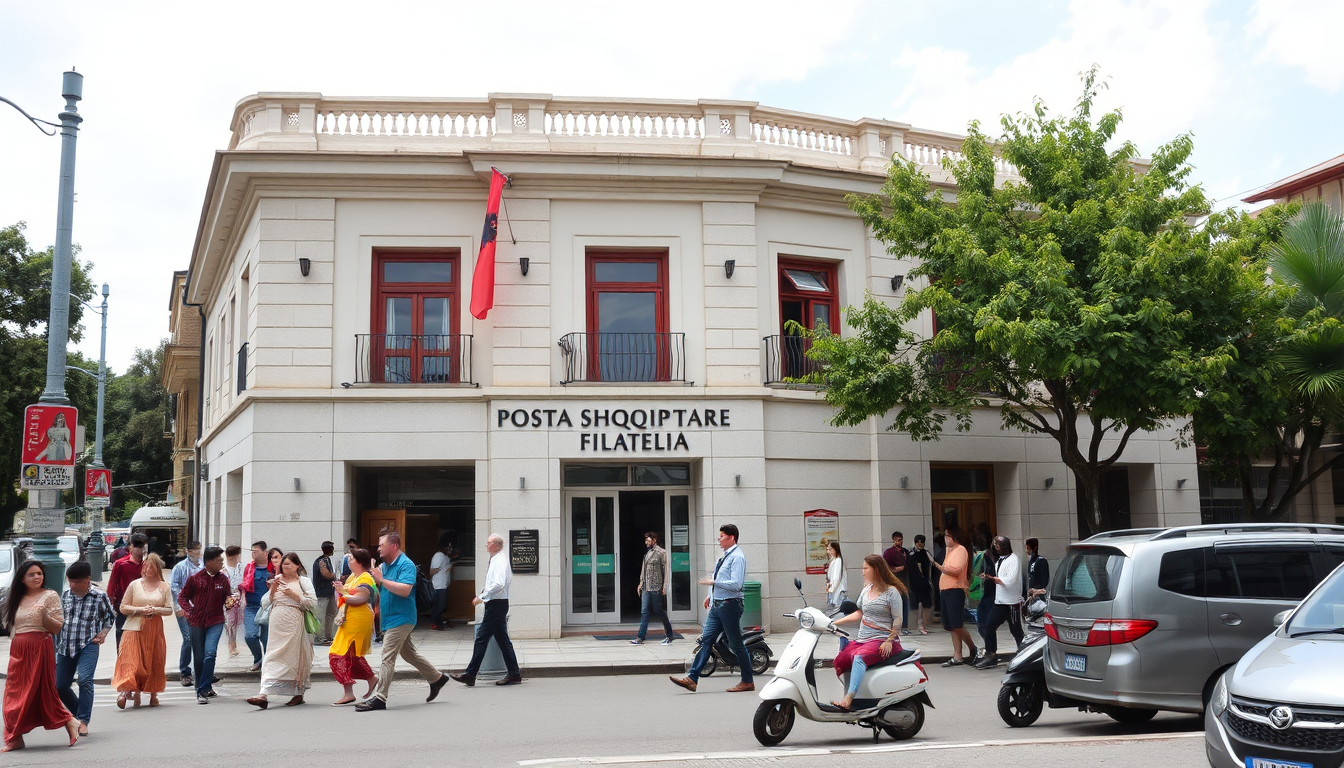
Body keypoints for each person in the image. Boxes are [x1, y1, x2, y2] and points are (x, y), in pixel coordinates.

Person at [356, 533, 448, 711]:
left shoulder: (406, 565)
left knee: (387, 656)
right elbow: (381, 588)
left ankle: (380, 698)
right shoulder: (385, 566)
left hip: (402, 617)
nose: (378, 548)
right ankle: (437, 678)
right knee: (409, 654)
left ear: (394, 545)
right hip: (390, 618)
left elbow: (405, 590)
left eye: (382, 545)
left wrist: (382, 579)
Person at [1, 560, 81, 751]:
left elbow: (57, 628)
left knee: (43, 693)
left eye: (39, 573)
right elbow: (10, 628)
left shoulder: (50, 596)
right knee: (13, 694)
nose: (37, 577)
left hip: (40, 646)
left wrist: (44, 615)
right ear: (22, 578)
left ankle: (68, 720)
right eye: (32, 574)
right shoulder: (15, 598)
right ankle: (15, 737)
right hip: (18, 648)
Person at [670, 524, 754, 693]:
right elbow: (718, 577)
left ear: (732, 538)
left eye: (722, 536)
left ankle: (747, 680)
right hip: (718, 604)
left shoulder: (738, 557)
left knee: (736, 643)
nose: (719, 539)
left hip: (730, 604)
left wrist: (713, 583)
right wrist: (711, 594)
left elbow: (736, 584)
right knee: (706, 640)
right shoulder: (724, 557)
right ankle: (692, 678)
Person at [829, 554, 908, 710]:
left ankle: (848, 699)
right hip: (863, 640)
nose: (863, 571)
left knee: (859, 658)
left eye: (866, 568)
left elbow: (898, 620)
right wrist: (832, 623)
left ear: (876, 569)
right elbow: (859, 613)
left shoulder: (892, 592)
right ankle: (859, 697)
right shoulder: (867, 590)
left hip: (882, 640)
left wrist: (889, 640)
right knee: (842, 658)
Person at [450, 533, 523, 687]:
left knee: (482, 638)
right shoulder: (497, 559)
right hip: (498, 603)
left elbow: (498, 584)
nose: (487, 545)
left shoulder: (500, 561)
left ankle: (470, 674)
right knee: (503, 640)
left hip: (496, 604)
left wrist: (482, 597)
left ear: (496, 544)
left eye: (489, 542)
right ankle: (514, 673)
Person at [247, 553, 317, 709]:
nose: (285, 568)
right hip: (276, 622)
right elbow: (266, 602)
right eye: (283, 565)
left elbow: (312, 603)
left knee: (294, 658)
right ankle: (263, 693)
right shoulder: (277, 579)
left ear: (297, 565)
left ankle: (298, 693)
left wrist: (294, 595)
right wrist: (273, 589)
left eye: (288, 565)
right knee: (271, 656)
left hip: (294, 623)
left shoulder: (303, 581)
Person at [55, 561, 116, 737]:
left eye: (77, 582)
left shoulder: (99, 596)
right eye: (70, 581)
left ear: (88, 579)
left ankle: (83, 721)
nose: (72, 585)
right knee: (60, 686)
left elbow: (110, 617)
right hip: (65, 645)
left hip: (88, 644)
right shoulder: (65, 594)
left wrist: (103, 633)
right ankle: (76, 714)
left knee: (85, 680)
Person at [111, 553, 173, 709]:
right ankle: (128, 691)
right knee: (132, 661)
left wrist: (155, 609)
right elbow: (123, 607)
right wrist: (139, 610)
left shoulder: (164, 586)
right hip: (133, 627)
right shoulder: (134, 585)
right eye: (145, 565)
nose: (146, 568)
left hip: (154, 628)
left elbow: (169, 609)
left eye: (150, 565)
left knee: (153, 659)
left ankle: (153, 694)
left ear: (157, 568)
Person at [178, 546, 238, 704]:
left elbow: (227, 596)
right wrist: (189, 610)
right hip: (196, 622)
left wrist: (229, 602)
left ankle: (202, 689)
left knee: (210, 653)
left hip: (216, 621)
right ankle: (203, 686)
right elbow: (182, 597)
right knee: (198, 657)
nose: (222, 563)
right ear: (210, 562)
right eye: (219, 561)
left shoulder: (222, 579)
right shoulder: (196, 578)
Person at [329, 548, 379, 706]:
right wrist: (342, 589)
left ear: (360, 562)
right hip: (349, 619)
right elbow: (349, 593)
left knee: (336, 655)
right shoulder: (353, 576)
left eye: (351, 559)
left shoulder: (366, 578)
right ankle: (369, 680)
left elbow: (360, 598)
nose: (348, 562)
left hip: (357, 620)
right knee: (351, 655)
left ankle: (350, 690)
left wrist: (342, 593)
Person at [976, 536, 1025, 669]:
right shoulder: (1000, 561)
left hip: (1012, 603)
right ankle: (991, 654)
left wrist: (991, 578)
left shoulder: (1013, 560)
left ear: (1005, 546)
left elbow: (1010, 581)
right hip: (1000, 601)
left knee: (1016, 630)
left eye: (998, 545)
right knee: (989, 626)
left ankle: (1024, 653)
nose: (995, 548)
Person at [932, 525, 977, 666]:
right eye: (945, 536)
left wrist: (939, 567)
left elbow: (955, 570)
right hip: (945, 590)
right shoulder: (949, 551)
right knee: (950, 625)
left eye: (948, 536)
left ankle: (972, 647)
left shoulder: (961, 549)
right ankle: (957, 655)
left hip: (955, 590)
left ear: (955, 537)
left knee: (956, 624)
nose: (945, 539)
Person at [169, 541, 204, 688]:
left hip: (201, 609)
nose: (196, 552)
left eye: (198, 550)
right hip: (184, 608)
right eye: (193, 550)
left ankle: (201, 672)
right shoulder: (180, 567)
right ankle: (185, 672)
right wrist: (179, 606)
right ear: (188, 551)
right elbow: (174, 587)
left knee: (200, 640)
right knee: (188, 639)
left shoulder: (204, 566)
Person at [631, 531, 674, 645]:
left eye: (648, 540)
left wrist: (665, 586)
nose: (646, 542)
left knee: (658, 610)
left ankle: (669, 634)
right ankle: (640, 637)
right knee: (644, 612)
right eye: (646, 540)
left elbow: (666, 571)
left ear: (654, 540)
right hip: (646, 586)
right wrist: (641, 583)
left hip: (656, 586)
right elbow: (643, 570)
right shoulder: (647, 553)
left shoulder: (661, 553)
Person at [106, 532, 148, 648]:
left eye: (143, 546)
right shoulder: (121, 564)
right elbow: (112, 585)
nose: (140, 550)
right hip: (123, 605)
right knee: (122, 634)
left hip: (143, 606)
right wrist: (110, 604)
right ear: (130, 547)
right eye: (137, 547)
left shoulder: (147, 565)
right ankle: (122, 660)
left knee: (141, 637)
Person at [239, 540, 273, 672]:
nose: (253, 553)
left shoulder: (272, 570)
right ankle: (257, 658)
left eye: (256, 551)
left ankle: (267, 663)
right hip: (251, 607)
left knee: (266, 638)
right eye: (252, 551)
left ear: (265, 553)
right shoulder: (249, 568)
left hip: (267, 608)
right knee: (250, 636)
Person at [882, 532, 911, 635]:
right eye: (898, 540)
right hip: (894, 580)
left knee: (905, 602)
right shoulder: (889, 552)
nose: (900, 542)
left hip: (904, 580)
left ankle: (904, 626)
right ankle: (893, 626)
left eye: (901, 540)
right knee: (895, 604)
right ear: (894, 540)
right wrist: (896, 569)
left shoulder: (905, 552)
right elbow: (886, 567)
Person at [906, 535, 934, 635]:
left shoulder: (926, 553)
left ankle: (924, 625)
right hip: (914, 582)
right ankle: (917, 625)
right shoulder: (911, 554)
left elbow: (933, 563)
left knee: (926, 604)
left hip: (925, 582)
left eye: (922, 542)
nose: (920, 544)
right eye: (918, 542)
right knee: (916, 605)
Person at [312, 542, 338, 644]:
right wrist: (335, 575)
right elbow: (326, 574)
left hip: (329, 592)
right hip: (322, 593)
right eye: (331, 548)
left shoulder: (326, 560)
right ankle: (320, 638)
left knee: (331, 615)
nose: (333, 550)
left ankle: (328, 636)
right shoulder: (321, 561)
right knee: (321, 616)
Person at [222, 545, 246, 656]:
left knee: (236, 622)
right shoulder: (223, 569)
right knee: (229, 622)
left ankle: (234, 643)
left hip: (239, 597)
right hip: (227, 599)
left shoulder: (241, 568)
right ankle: (231, 645)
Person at [428, 535, 453, 630]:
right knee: (440, 605)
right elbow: (432, 571)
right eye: (448, 547)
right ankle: (434, 621)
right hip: (438, 585)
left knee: (443, 605)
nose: (449, 549)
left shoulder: (445, 556)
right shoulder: (438, 556)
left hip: (444, 584)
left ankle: (439, 622)